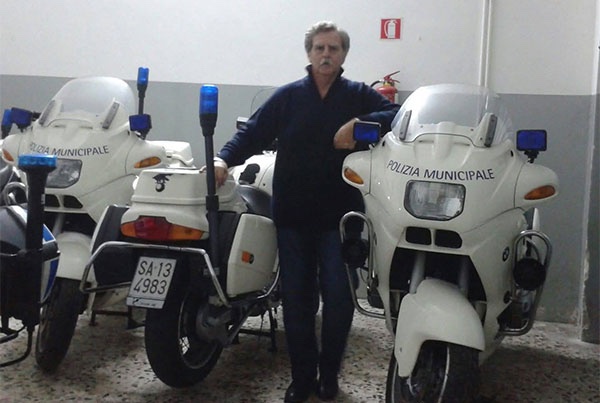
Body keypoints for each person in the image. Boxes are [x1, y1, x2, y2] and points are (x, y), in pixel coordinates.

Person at [214, 21, 400, 402]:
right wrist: (222, 159)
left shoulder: (358, 96)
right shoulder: (288, 98)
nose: (326, 54)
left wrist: (361, 125)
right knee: (297, 302)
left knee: (339, 299)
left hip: (340, 219)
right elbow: (252, 132)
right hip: (294, 217)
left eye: (333, 48)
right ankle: (301, 378)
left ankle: (329, 375)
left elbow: (398, 115)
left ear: (343, 55)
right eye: (319, 48)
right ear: (309, 53)